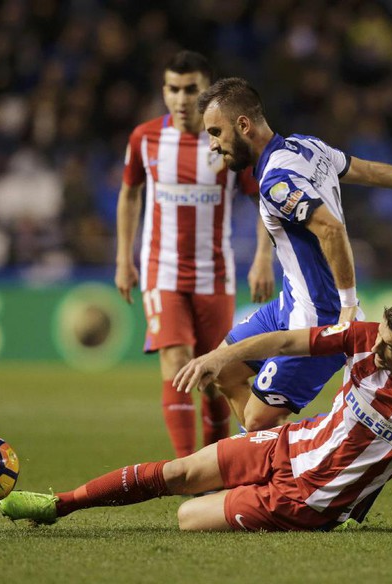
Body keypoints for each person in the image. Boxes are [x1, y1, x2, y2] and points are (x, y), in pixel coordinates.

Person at [0, 297, 392, 534]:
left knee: (187, 517)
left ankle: (340, 517)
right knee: (180, 472)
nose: (377, 345)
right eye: (380, 335)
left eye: (390, 345)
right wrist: (222, 356)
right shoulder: (365, 336)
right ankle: (58, 505)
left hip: (308, 500)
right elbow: (284, 341)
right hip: (290, 443)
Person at [194, 77, 392, 432]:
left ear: (243, 125)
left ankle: (309, 455)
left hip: (319, 316)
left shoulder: (277, 181)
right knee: (226, 369)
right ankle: (267, 461)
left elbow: (330, 228)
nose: (214, 145)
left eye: (216, 132)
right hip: (289, 304)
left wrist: (347, 306)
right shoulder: (306, 146)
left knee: (258, 419)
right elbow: (366, 170)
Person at [115, 52, 275, 457]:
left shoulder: (224, 140)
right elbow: (130, 192)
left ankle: (212, 466)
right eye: (173, 89)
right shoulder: (145, 138)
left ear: (207, 92)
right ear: (164, 91)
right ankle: (185, 470)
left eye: (191, 89)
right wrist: (123, 258)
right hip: (161, 271)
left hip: (214, 274)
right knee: (176, 364)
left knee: (213, 375)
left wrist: (262, 257)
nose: (182, 98)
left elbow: (262, 200)